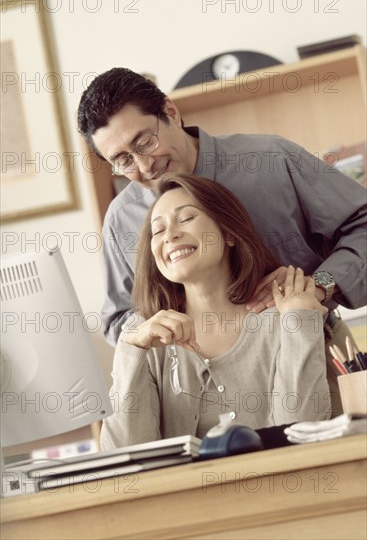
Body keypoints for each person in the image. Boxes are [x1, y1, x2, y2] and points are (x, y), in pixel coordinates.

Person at [77, 67, 367, 416]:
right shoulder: (122, 219)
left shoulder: (271, 160)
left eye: (145, 142)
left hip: (316, 363)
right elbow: (119, 319)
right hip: (198, 400)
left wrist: (319, 286)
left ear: (170, 112)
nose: (144, 165)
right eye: (123, 160)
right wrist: (150, 326)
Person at [100, 173, 331, 449]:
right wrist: (131, 348)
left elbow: (300, 433)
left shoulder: (285, 317)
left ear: (229, 233)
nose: (170, 235)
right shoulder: (148, 339)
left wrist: (300, 318)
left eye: (186, 219)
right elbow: (123, 453)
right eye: (158, 230)